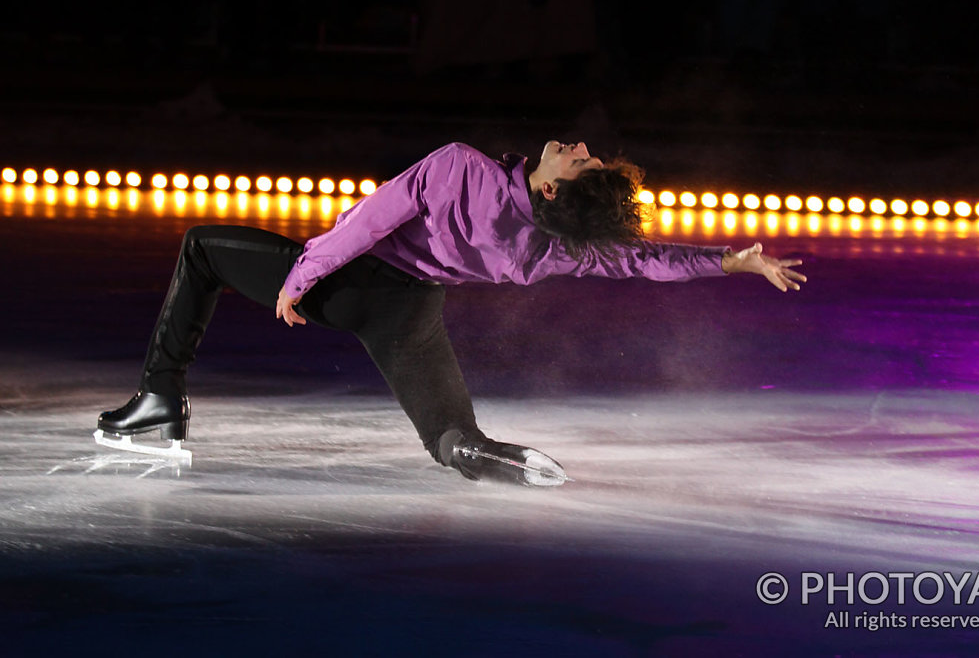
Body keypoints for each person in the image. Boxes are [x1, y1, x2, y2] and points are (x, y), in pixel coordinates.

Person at [97, 140, 806, 486]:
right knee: (450, 432)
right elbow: (644, 259)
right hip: (412, 312)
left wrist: (300, 277)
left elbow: (369, 221)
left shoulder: (462, 166)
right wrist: (728, 260)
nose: (579, 148)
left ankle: (159, 395)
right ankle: (474, 450)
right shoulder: (558, 248)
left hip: (353, 283)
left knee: (200, 249)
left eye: (579, 163)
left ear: (555, 190)